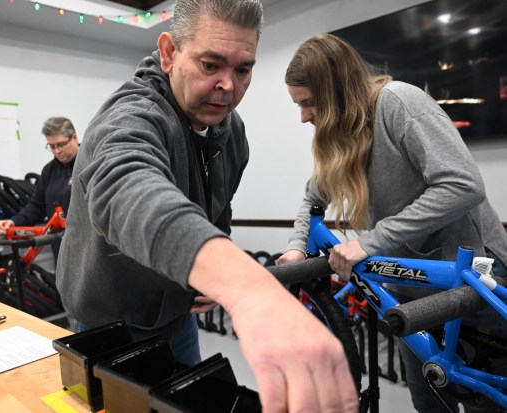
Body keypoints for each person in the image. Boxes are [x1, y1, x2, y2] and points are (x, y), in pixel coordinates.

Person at [55, 2, 358, 412]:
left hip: (177, 317)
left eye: (242, 70)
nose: (228, 86)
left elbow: (217, 210)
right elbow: (127, 190)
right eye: (211, 64)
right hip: (110, 324)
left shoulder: (229, 132)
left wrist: (207, 275)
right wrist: (246, 288)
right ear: (168, 53)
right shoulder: (131, 116)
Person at [277, 33, 507, 412]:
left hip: (474, 275)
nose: (304, 116)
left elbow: (463, 184)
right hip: (408, 289)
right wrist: (295, 248)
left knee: (487, 400)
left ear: (337, 94)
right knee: (429, 399)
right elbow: (311, 199)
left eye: (310, 103)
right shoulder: (342, 138)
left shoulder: (399, 102)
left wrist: (369, 242)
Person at [0, 116, 79, 251]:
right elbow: (37, 206)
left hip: (88, 247)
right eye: (51, 146)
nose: (57, 151)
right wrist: (14, 222)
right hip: (60, 247)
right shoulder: (49, 170)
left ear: (74, 138)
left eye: (61, 144)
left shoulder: (90, 164)